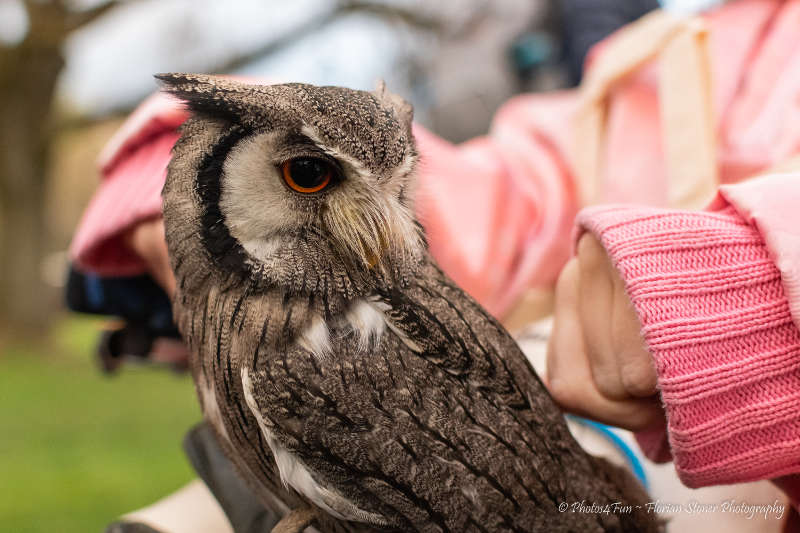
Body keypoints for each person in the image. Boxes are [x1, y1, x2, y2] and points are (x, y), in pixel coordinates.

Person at [69, 0, 800, 530]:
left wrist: (766, 305)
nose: (376, 234)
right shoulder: (671, 48)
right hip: (593, 445)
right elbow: (513, 195)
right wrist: (168, 187)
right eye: (306, 177)